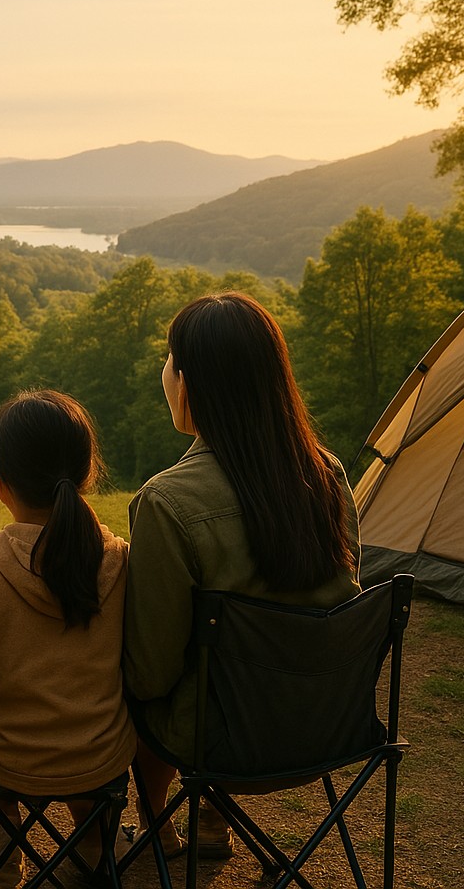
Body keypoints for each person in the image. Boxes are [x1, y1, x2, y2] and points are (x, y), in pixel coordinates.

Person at [122, 291, 361, 858]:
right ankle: (210, 817)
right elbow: (340, 609)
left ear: (191, 382)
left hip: (221, 742)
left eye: (169, 359)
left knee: (134, 676)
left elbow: (151, 674)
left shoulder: (167, 501)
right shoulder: (327, 473)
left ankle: (158, 823)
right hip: (329, 724)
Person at [0, 390, 135, 888]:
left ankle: (3, 847)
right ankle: (93, 838)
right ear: (86, 473)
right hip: (100, 759)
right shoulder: (120, 559)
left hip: (5, 760)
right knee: (81, 727)